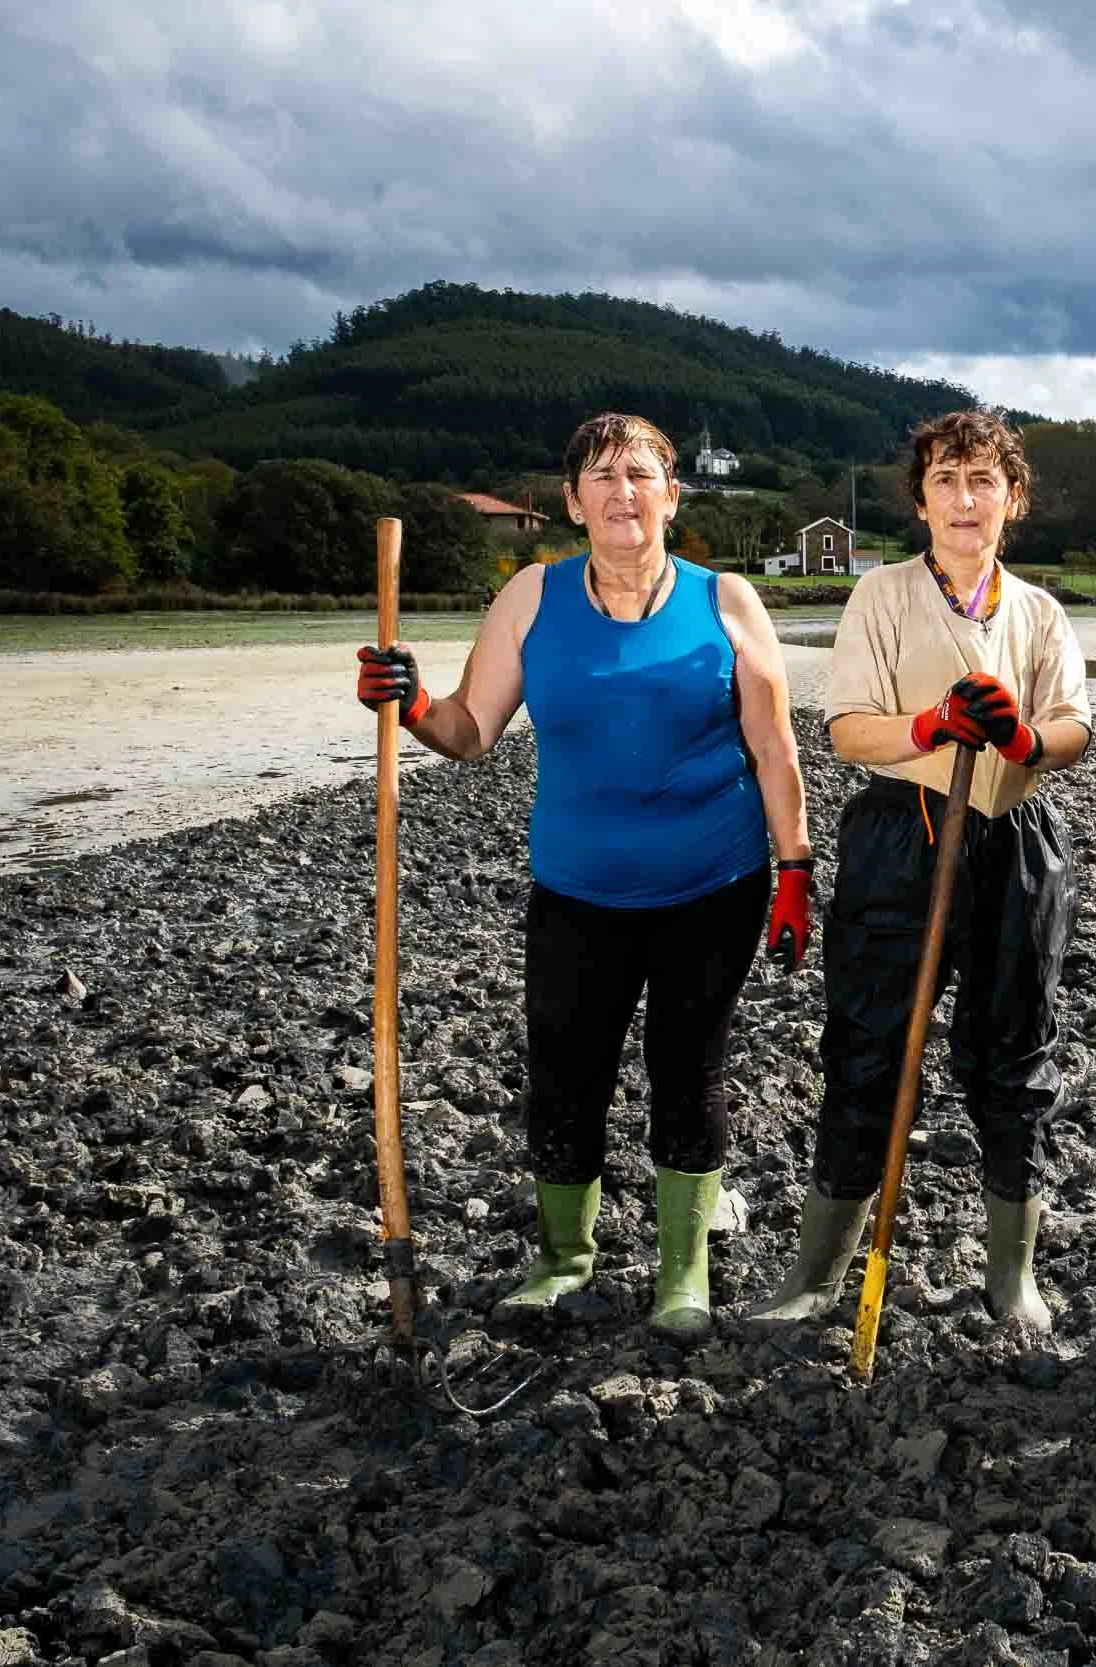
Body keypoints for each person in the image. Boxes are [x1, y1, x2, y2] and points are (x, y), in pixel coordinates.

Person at [353, 412, 816, 1342]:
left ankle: (682, 1271)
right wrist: (411, 702)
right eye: (600, 476)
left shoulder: (726, 601)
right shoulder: (531, 597)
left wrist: (796, 867)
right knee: (566, 1074)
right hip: (576, 892)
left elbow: (773, 745)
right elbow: (472, 731)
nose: (621, 492)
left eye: (641, 473)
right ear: (571, 502)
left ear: (671, 495)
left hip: (713, 885)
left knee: (690, 1071)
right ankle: (564, 1258)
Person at [747, 410, 1092, 1333]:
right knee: (869, 1049)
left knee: (1015, 1058)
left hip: (1015, 837)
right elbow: (848, 726)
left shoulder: (1041, 611)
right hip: (904, 832)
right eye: (946, 480)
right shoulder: (883, 597)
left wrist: (1024, 737)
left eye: (984, 481)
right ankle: (817, 1272)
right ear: (921, 499)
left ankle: (1012, 1276)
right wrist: (932, 726)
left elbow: (1074, 728)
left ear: (1013, 500)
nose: (965, 498)